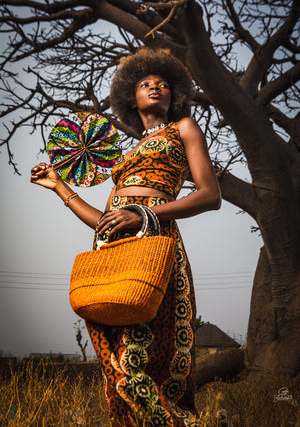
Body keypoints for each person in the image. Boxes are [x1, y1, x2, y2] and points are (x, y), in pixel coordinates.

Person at [31, 48, 221, 426]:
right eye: (146, 84)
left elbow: (209, 195)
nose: (155, 88)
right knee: (113, 365)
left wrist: (143, 213)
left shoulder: (182, 128)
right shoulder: (126, 153)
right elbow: (104, 220)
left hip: (155, 242)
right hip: (112, 251)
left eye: (163, 84)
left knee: (147, 362)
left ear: (174, 94)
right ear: (130, 98)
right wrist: (59, 186)